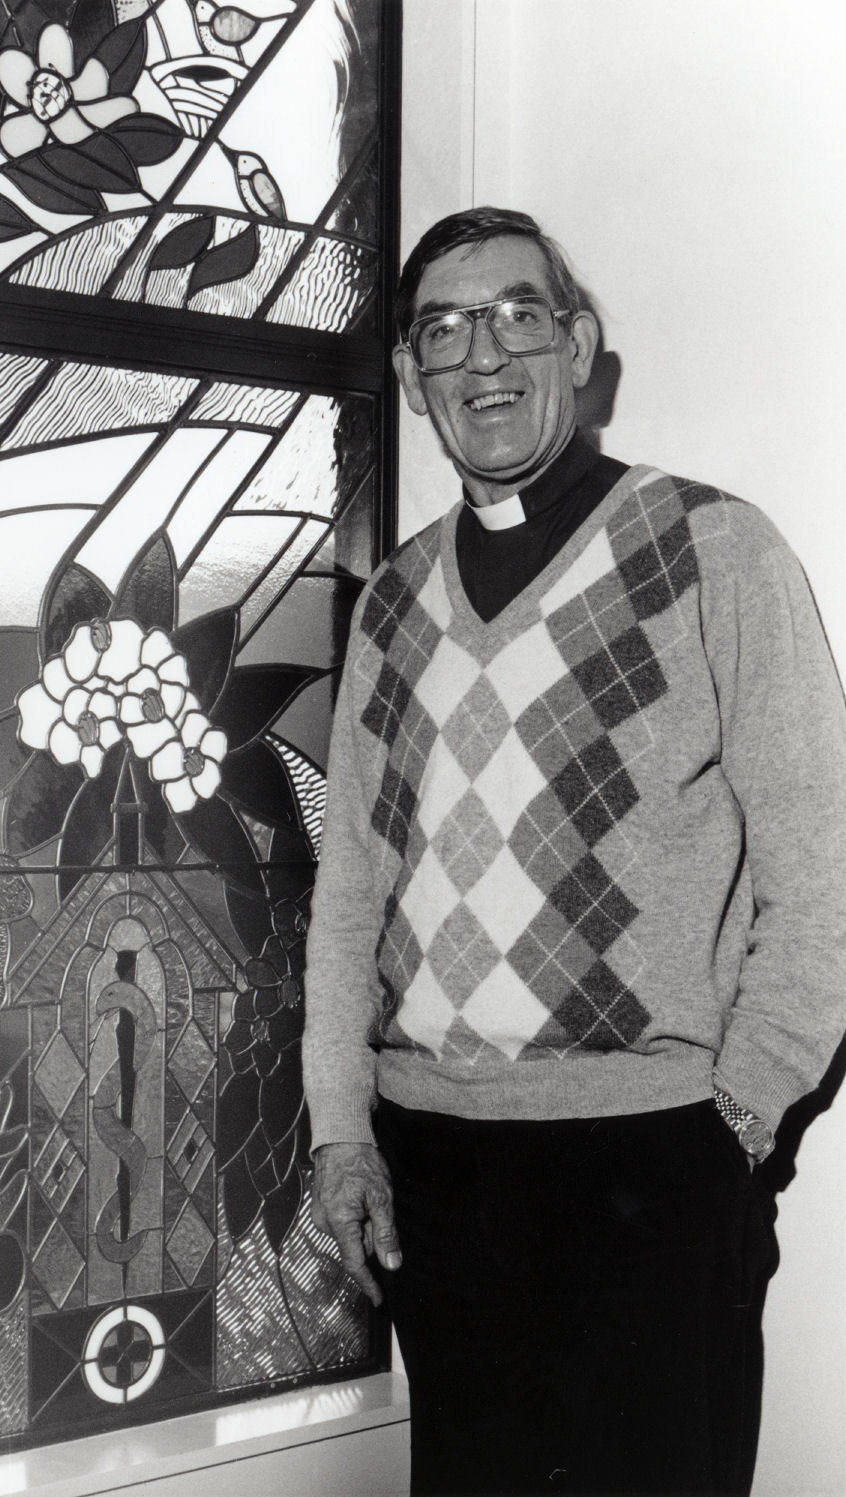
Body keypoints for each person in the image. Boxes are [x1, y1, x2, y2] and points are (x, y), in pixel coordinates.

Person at [302, 206, 846, 1497]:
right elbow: (349, 896)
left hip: (648, 1159)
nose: (480, 353)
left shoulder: (712, 546)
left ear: (579, 344)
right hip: (432, 1166)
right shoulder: (393, 601)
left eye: (515, 314)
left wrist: (738, 1112)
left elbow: (816, 854)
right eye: (441, 327)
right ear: (412, 376)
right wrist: (340, 1131)